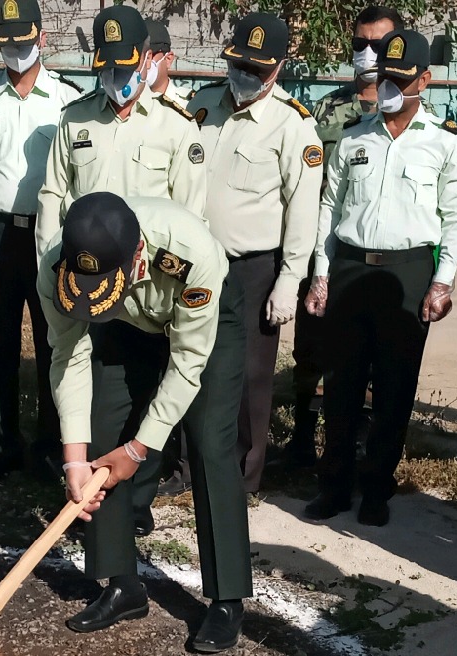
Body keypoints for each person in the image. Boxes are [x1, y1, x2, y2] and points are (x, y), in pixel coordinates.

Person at [43, 192, 250, 654]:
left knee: (210, 441)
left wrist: (140, 450)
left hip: (203, 323)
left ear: (136, 256)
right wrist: (75, 460)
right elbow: (68, 357)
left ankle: (227, 597)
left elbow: (188, 363)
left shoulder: (191, 255)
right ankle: (123, 586)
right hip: (122, 320)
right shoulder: (56, 269)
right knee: (103, 433)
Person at [302, 29, 457, 528]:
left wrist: (442, 281)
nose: (389, 87)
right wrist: (321, 273)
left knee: (396, 386)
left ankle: (377, 486)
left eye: (400, 79)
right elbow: (330, 209)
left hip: (409, 271)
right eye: (384, 78)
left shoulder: (444, 141)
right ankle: (334, 485)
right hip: (352, 267)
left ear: (425, 78)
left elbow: (456, 216)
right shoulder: (355, 136)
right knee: (341, 383)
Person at [189, 13, 322, 494]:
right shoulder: (203, 106)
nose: (244, 75)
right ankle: (192, 463)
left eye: (256, 69)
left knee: (249, 377)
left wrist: (290, 279)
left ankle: (242, 475)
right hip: (197, 261)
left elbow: (302, 211)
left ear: (278, 68)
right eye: (239, 64)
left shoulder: (292, 125)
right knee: (191, 360)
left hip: (253, 270)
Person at [0, 0, 80, 479]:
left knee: (52, 341)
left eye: (23, 42)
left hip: (49, 237)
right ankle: (3, 440)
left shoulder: (65, 100)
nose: (15, 51)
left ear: (42, 40)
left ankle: (50, 444)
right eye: (6, 43)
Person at [283, 5, 402, 468]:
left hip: (375, 257)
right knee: (311, 348)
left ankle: (359, 442)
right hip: (325, 252)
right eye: (359, 44)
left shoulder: (412, 112)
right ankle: (302, 438)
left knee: (370, 359)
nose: (367, 53)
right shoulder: (329, 109)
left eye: (378, 45)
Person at [36, 5, 205, 263]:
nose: (116, 77)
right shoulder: (74, 118)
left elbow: (189, 215)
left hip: (147, 273)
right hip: (84, 268)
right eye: (108, 68)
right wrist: (48, 264)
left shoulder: (177, 126)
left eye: (125, 68)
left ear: (147, 59)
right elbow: (52, 196)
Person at [145, 20, 188, 102]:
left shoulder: (189, 104)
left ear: (168, 59)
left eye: (148, 57)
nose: (143, 64)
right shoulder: (125, 106)